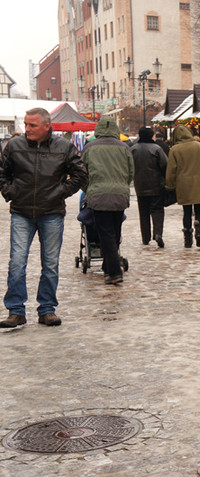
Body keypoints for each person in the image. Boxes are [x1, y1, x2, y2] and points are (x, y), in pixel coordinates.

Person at [0, 108, 88, 327]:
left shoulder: (64, 147)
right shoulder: (14, 146)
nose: (27, 129)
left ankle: (47, 309)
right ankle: (16, 310)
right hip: (21, 211)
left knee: (50, 264)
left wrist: (60, 192)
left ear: (46, 126)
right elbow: (2, 173)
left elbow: (80, 174)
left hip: (51, 213)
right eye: (26, 124)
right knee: (17, 263)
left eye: (32, 125)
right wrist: (10, 191)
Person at [81, 116, 134, 285]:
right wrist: (123, 186)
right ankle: (108, 267)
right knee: (115, 232)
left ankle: (114, 271)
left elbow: (82, 173)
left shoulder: (90, 148)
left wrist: (88, 189)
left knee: (105, 234)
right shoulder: (124, 147)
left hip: (98, 194)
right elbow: (130, 171)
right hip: (119, 194)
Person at [166, 125, 200, 248]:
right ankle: (199, 231)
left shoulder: (174, 149)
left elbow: (171, 170)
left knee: (187, 211)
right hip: (199, 183)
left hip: (183, 185)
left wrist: (170, 185)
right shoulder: (199, 147)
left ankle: (188, 239)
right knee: (199, 209)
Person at [131, 127, 168, 247]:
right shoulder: (156, 149)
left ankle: (145, 237)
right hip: (156, 185)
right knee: (157, 210)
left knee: (143, 212)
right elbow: (165, 165)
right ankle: (158, 234)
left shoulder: (133, 149)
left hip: (140, 186)